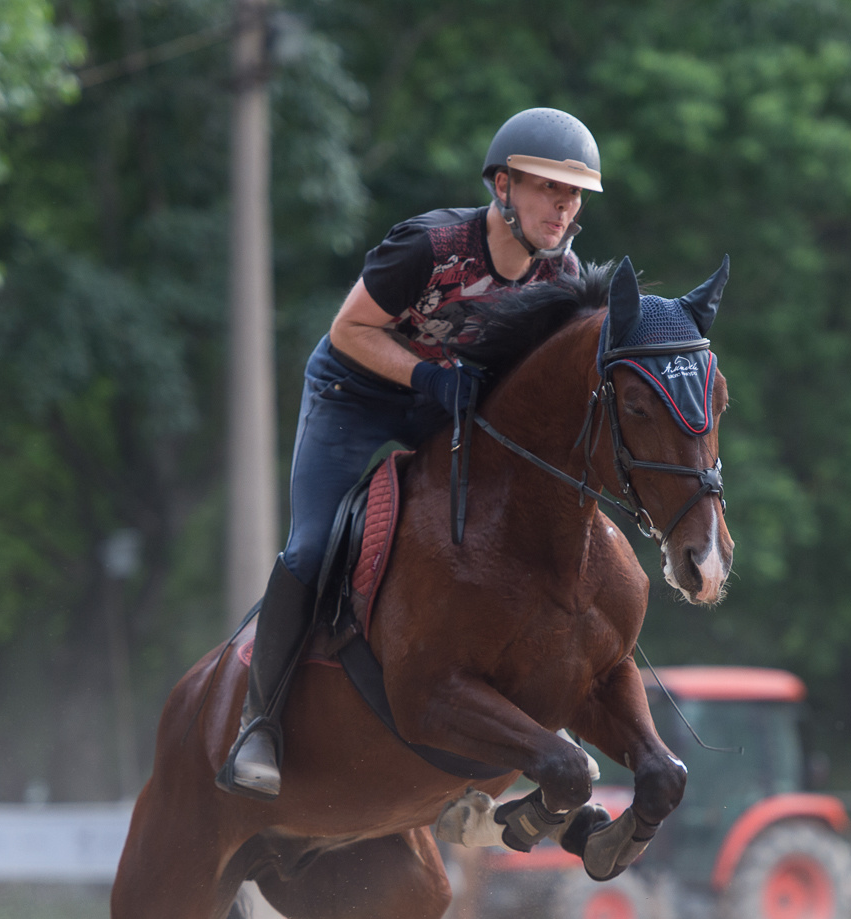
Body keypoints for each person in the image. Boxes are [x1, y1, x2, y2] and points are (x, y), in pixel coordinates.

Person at [219, 107, 605, 799]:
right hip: (354, 393)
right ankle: (261, 721)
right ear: (503, 186)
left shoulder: (563, 274)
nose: (563, 205)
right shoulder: (430, 245)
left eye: (573, 193)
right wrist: (426, 374)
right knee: (312, 547)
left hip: (445, 404)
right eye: (548, 186)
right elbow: (348, 329)